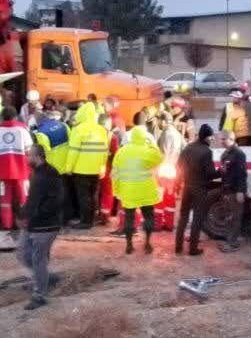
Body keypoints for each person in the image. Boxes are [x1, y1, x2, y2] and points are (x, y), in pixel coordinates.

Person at [18, 144, 64, 310]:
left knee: (37, 260)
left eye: (28, 155)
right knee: (23, 254)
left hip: (45, 226)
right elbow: (33, 200)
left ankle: (40, 295)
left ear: (37, 157)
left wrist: (31, 214)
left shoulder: (47, 175)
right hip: (35, 223)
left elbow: (54, 201)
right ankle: (43, 278)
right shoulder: (38, 173)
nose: (26, 158)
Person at [112, 126, 163, 255]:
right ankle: (147, 243)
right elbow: (159, 158)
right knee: (149, 217)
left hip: (128, 191)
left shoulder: (121, 152)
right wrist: (151, 143)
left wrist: (117, 191)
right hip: (146, 190)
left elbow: (115, 174)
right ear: (144, 137)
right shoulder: (147, 151)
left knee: (129, 218)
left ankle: (129, 245)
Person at [175, 124, 220, 256]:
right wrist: (221, 172)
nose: (211, 140)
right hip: (200, 189)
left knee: (183, 217)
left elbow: (178, 166)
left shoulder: (188, 148)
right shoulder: (207, 152)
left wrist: (179, 183)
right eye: (210, 137)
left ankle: (178, 247)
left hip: (187, 187)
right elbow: (210, 173)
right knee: (197, 218)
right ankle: (193, 249)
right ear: (206, 137)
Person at [63, 101, 108, 228]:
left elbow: (73, 151)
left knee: (83, 197)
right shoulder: (101, 130)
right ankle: (91, 220)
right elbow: (105, 151)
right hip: (96, 169)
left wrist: (68, 168)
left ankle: (85, 222)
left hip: (81, 169)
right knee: (93, 196)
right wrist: (102, 168)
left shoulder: (78, 130)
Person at [0, 107, 34, 230]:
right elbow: (30, 152)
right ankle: (26, 224)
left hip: (3, 173)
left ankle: (7, 225)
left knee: (5, 201)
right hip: (22, 172)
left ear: (2, 117)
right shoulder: (22, 130)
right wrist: (31, 170)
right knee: (24, 199)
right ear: (15, 117)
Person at [155, 111, 185, 231]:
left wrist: (157, 171)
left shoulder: (166, 134)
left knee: (159, 197)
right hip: (173, 169)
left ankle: (157, 225)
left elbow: (162, 154)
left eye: (159, 121)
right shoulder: (178, 134)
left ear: (163, 121)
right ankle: (169, 224)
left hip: (163, 168)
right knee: (170, 197)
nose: (158, 124)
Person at [218, 130, 247, 251]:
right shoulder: (226, 153)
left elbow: (241, 174)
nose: (221, 141)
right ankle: (230, 239)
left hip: (235, 190)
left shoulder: (239, 154)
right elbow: (225, 170)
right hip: (227, 189)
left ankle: (232, 243)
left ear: (230, 139)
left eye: (223, 139)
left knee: (235, 217)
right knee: (229, 216)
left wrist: (241, 191)